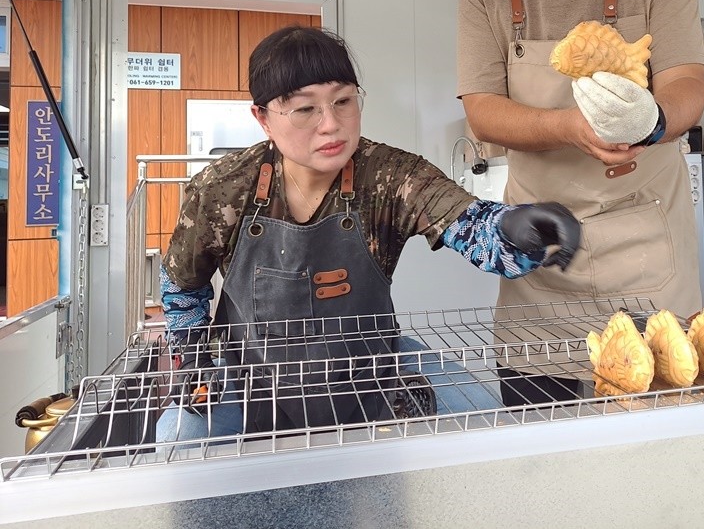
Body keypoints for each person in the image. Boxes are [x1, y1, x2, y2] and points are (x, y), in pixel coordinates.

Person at [156, 25, 580, 440]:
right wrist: (193, 355)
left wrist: (513, 225)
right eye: (305, 109)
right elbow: (181, 285)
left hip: (371, 368)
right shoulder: (224, 187)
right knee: (175, 437)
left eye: (343, 101)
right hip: (249, 374)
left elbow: (469, 224)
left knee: (485, 417)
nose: (330, 124)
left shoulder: (390, 175)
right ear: (263, 118)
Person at [456, 0, 704, 405]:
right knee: (544, 453)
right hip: (542, 263)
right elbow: (483, 112)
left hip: (650, 262)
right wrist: (571, 127)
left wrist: (651, 123)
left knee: (654, 452)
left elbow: (685, 84)